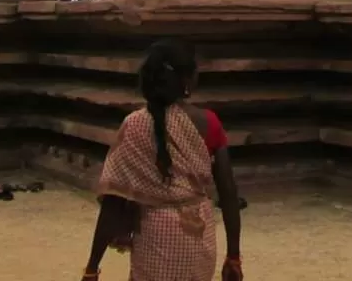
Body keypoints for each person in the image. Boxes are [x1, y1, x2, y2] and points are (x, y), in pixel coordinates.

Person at [82, 39, 242, 281]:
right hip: (199, 237)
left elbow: (114, 202)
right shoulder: (209, 122)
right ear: (187, 81)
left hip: (155, 240)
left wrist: (93, 267)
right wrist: (233, 256)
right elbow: (228, 193)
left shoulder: (134, 124)